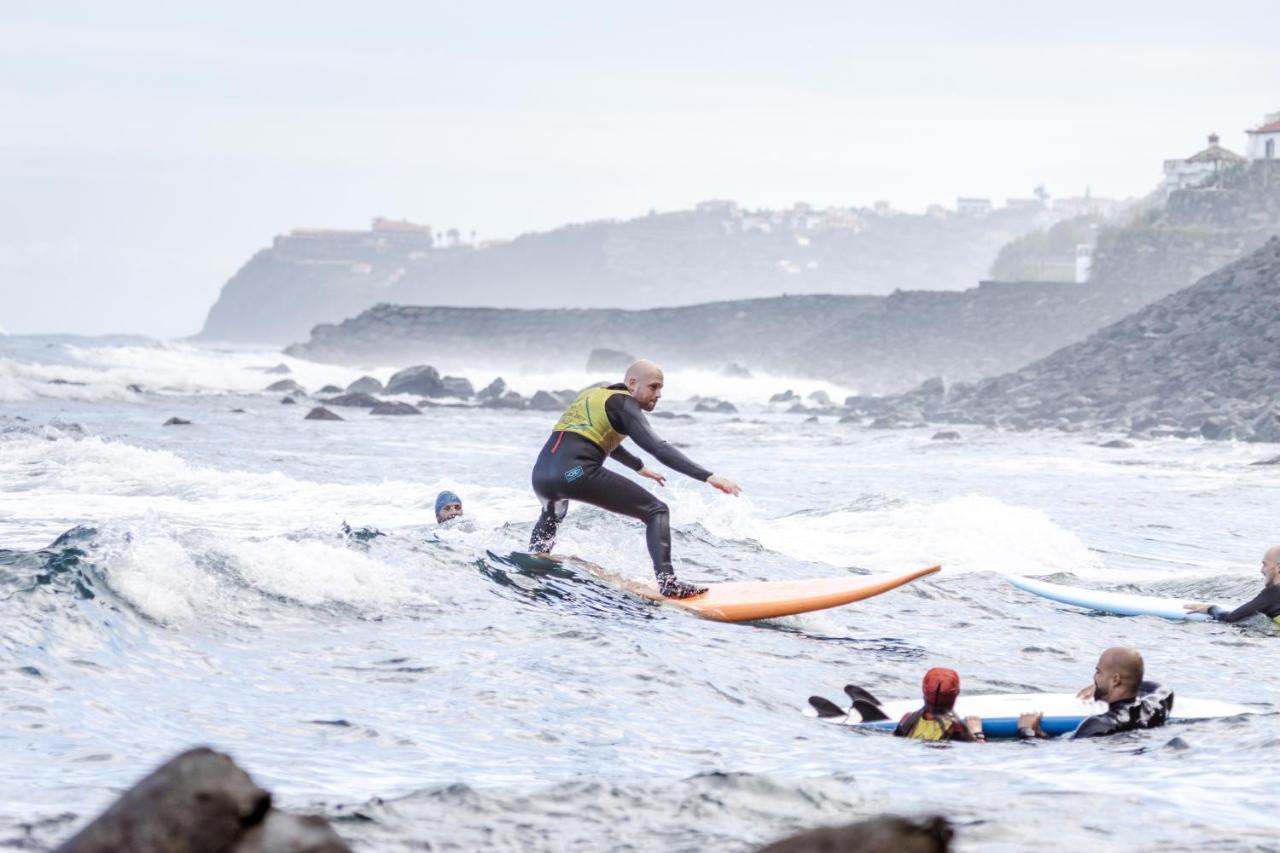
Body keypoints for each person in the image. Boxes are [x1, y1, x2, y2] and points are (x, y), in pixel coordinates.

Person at [528, 359, 741, 599]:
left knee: (553, 513)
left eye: (661, 389)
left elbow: (602, 439)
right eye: (653, 387)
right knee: (656, 510)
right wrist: (709, 476)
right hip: (573, 473)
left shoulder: (594, 396)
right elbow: (659, 448)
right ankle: (668, 583)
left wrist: (638, 467)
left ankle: (535, 560)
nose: (659, 394)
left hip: (542, 475)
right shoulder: (624, 404)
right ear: (632, 383)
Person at [1018, 647, 1172, 739]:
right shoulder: (1155, 708)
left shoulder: (1098, 724)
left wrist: (1027, 730)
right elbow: (1163, 689)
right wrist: (1103, 684)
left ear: (1115, 680)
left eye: (1098, 673)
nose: (1094, 677)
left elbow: (1056, 756)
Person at [1184, 545, 1280, 626]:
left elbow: (1228, 619)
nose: (1262, 570)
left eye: (1265, 564)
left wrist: (1211, 608)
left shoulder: (1273, 593)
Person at [893, 668, 986, 742]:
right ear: (956, 693)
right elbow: (979, 756)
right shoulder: (956, 727)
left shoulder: (906, 718)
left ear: (924, 690)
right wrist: (977, 733)